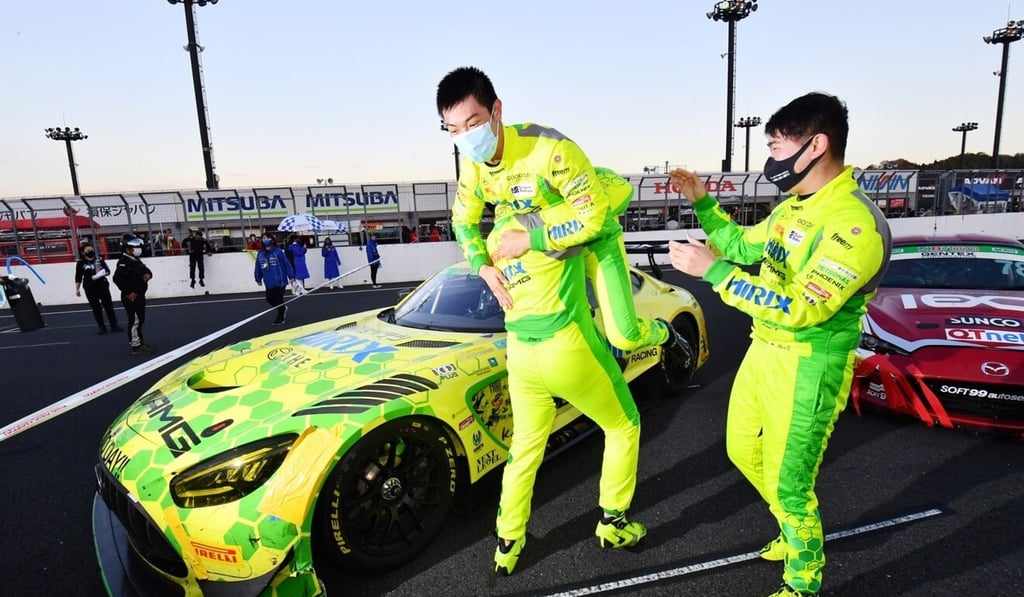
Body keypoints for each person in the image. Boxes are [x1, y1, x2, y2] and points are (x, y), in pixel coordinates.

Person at [666, 92, 892, 597]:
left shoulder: (854, 225)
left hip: (810, 364)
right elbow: (745, 245)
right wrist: (703, 201)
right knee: (742, 448)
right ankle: (792, 528)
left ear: (816, 145)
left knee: (792, 485)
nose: (769, 156)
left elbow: (802, 307)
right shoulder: (795, 206)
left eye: (775, 144)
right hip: (763, 349)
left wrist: (714, 272)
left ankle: (803, 579)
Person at [436, 65, 692, 384]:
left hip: (593, 238)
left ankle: (665, 334)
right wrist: (481, 267)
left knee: (625, 336)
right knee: (569, 331)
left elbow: (592, 219)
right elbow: (462, 221)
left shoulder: (548, 148)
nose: (465, 137)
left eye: (472, 124)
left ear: (496, 111)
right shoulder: (472, 170)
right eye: (453, 129)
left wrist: (530, 240)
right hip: (550, 247)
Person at [113, 236, 155, 356]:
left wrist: (148, 275)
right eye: (134, 247)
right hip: (131, 297)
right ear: (127, 249)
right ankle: (136, 346)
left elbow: (147, 271)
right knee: (135, 320)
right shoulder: (123, 262)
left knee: (140, 319)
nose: (137, 249)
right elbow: (117, 279)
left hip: (140, 295)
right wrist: (128, 292)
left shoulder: (136, 260)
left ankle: (140, 342)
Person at [74, 242, 122, 334]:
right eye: (88, 250)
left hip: (102, 285)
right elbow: (78, 276)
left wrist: (103, 273)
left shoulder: (99, 259)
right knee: (96, 307)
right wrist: (77, 288)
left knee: (108, 305)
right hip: (90, 287)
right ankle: (101, 326)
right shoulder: (81, 263)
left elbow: (107, 270)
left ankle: (114, 325)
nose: (90, 251)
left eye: (91, 249)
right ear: (83, 252)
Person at [254, 233, 295, 325]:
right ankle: (283, 308)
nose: (265, 240)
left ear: (272, 240)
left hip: (280, 280)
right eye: (263, 238)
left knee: (278, 299)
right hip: (268, 281)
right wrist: (258, 278)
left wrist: (291, 276)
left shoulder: (278, 252)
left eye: (267, 238)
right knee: (269, 299)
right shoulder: (260, 253)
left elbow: (286, 264)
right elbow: (258, 266)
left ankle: (280, 317)